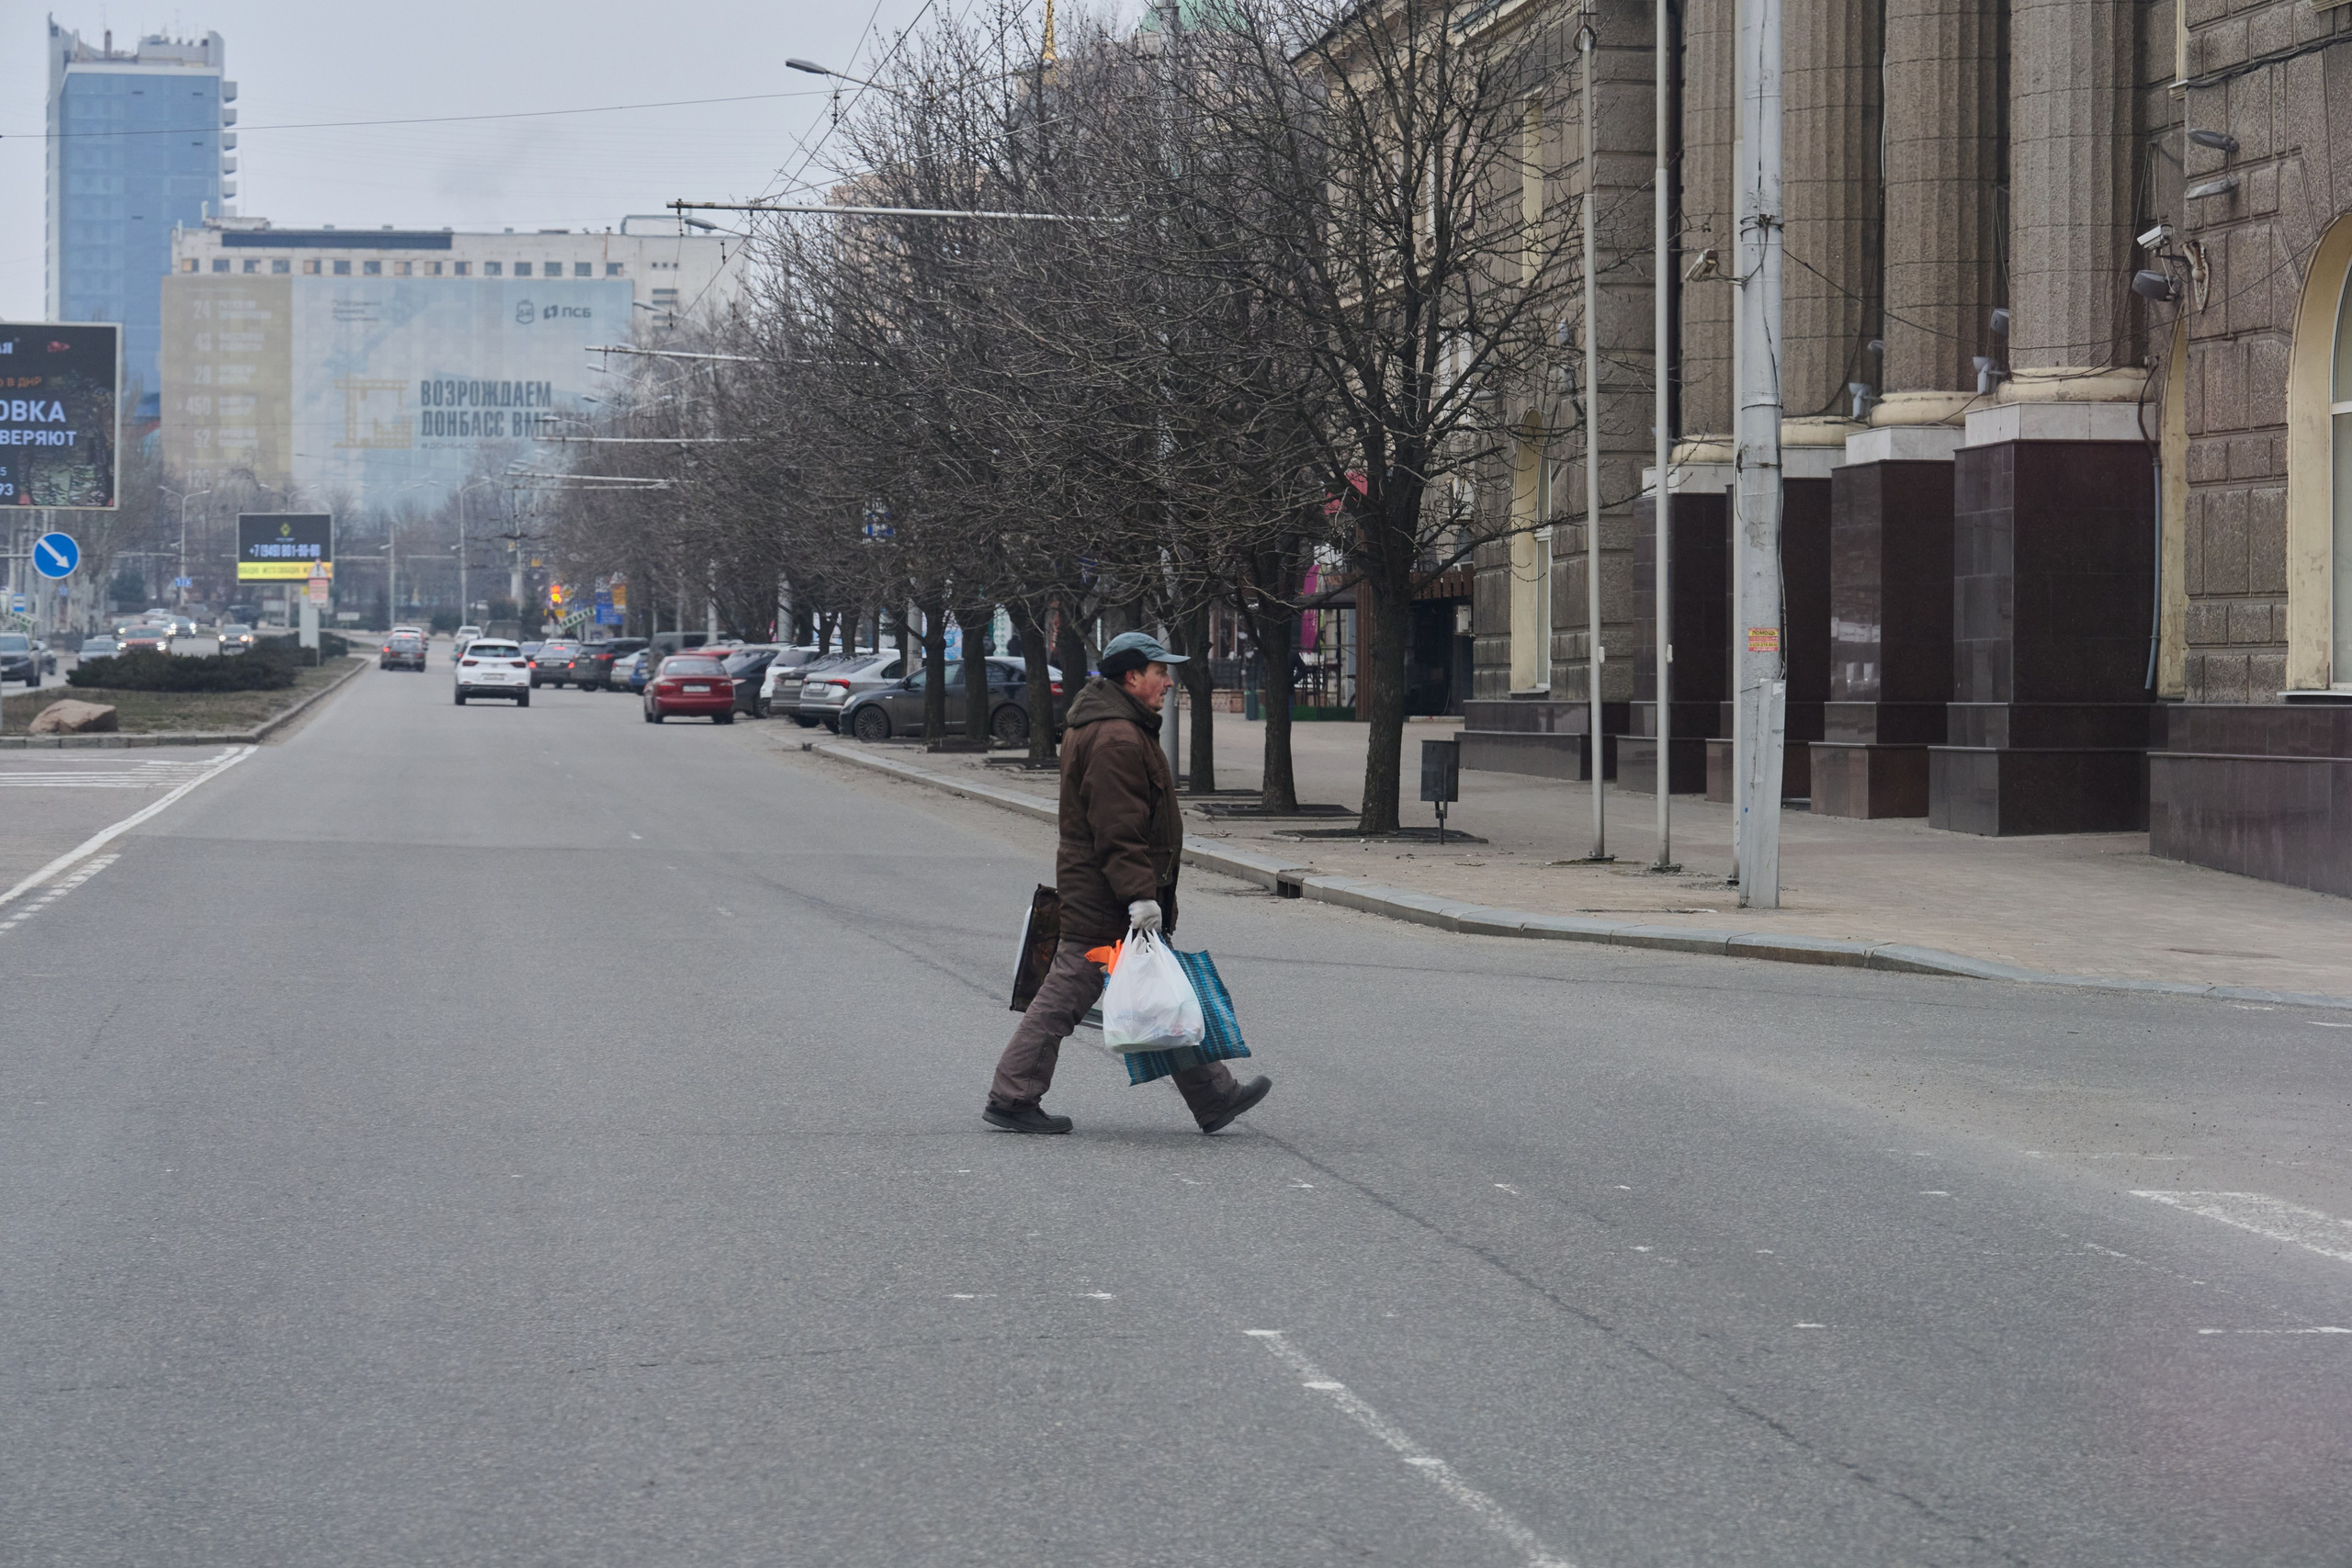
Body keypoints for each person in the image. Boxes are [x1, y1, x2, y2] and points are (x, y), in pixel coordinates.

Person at [986, 630, 1273, 1135]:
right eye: (1160, 671)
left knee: (1161, 993)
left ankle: (1214, 1097)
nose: (1168, 680)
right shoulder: (1116, 736)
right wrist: (1140, 895)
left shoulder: (1117, 725)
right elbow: (1118, 828)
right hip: (1106, 896)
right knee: (1065, 997)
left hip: (1107, 889)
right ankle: (1012, 1096)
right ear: (1132, 676)